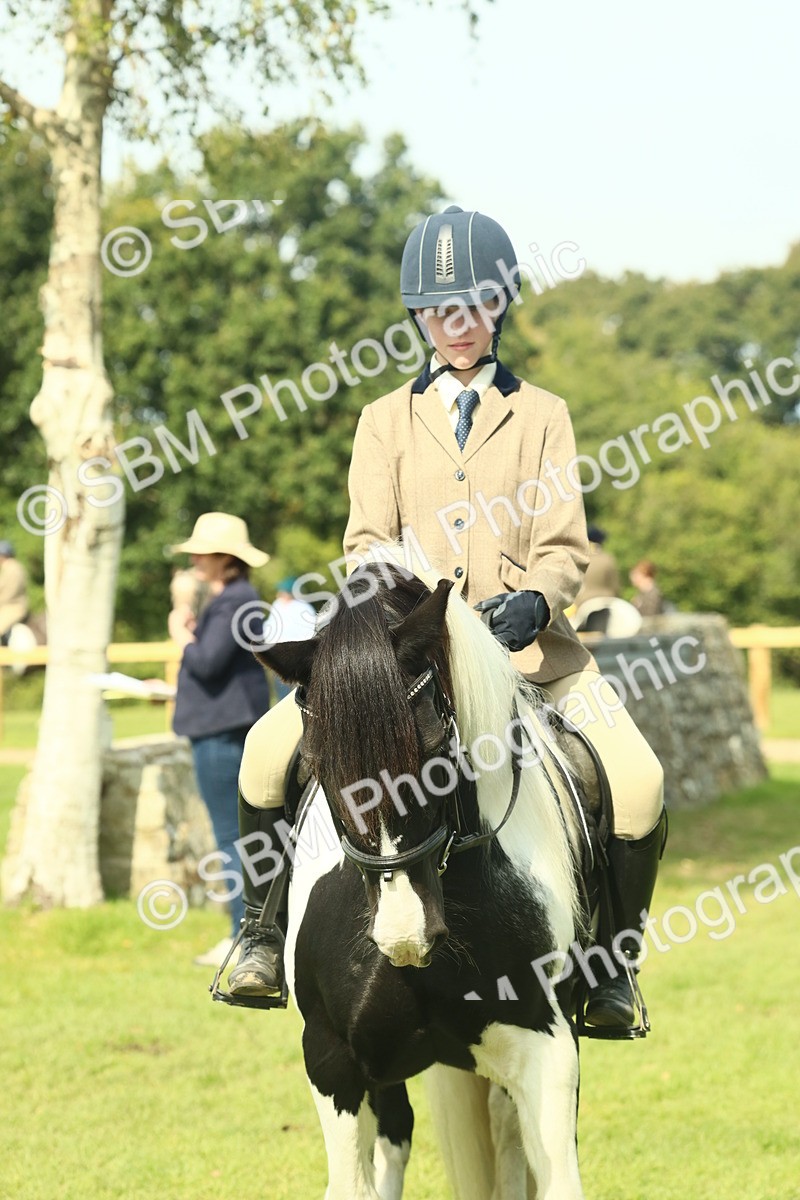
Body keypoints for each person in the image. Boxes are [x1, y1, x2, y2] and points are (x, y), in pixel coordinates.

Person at [230, 207, 666, 1034]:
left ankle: (612, 974)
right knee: (262, 753)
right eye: (438, 310)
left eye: (472, 307)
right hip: (407, 659)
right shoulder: (383, 422)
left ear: (500, 307)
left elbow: (565, 541)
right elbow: (364, 545)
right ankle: (258, 936)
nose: (455, 325)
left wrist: (537, 598)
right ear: (420, 318)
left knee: (638, 781)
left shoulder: (543, 414)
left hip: (533, 655)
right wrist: (403, 617)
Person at [169, 513, 271, 967]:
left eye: (201, 551)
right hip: (225, 727)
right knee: (240, 835)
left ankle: (242, 935)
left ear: (224, 558)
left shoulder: (236, 601)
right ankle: (249, 931)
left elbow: (207, 663)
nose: (193, 558)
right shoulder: (233, 599)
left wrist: (181, 635)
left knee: (232, 837)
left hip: (220, 732)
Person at [264, 578, 316, 701]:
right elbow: (269, 627)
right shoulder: (277, 605)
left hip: (297, 656)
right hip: (279, 653)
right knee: (281, 696)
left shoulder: (303, 608)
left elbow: (310, 632)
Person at [573, 525, 620, 609]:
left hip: (582, 603)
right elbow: (615, 587)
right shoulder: (608, 559)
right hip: (607, 603)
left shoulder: (578, 559)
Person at [0, 540, 29, 646]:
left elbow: (9, 593)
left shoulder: (13, 568)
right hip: (7, 606)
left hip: (14, 607)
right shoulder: (8, 568)